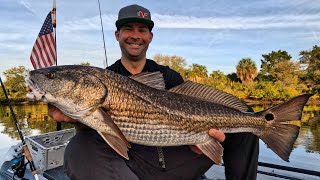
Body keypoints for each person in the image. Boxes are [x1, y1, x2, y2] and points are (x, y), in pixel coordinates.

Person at [48, 4, 259, 180]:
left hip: (179, 161)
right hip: (130, 165)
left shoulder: (169, 76)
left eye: (142, 30)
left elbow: (195, 107)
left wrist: (199, 142)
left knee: (247, 121)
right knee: (78, 148)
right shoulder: (105, 77)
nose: (135, 36)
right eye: (128, 29)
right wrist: (75, 119)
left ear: (150, 36)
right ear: (117, 35)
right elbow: (95, 131)